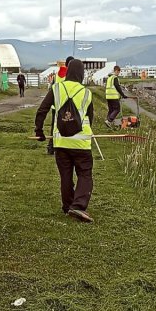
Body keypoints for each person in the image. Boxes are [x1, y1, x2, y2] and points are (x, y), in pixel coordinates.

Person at [34, 58, 95, 223]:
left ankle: (68, 206)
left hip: (60, 142)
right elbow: (90, 117)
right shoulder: (87, 93)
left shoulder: (56, 88)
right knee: (84, 173)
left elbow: (42, 110)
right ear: (81, 74)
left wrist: (39, 131)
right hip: (81, 143)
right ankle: (79, 206)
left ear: (68, 72)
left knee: (65, 175)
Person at [46, 56, 74, 155]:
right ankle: (65, 146)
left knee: (54, 126)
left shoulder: (58, 74)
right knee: (68, 125)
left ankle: (51, 147)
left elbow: (51, 89)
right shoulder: (69, 75)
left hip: (56, 105)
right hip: (66, 106)